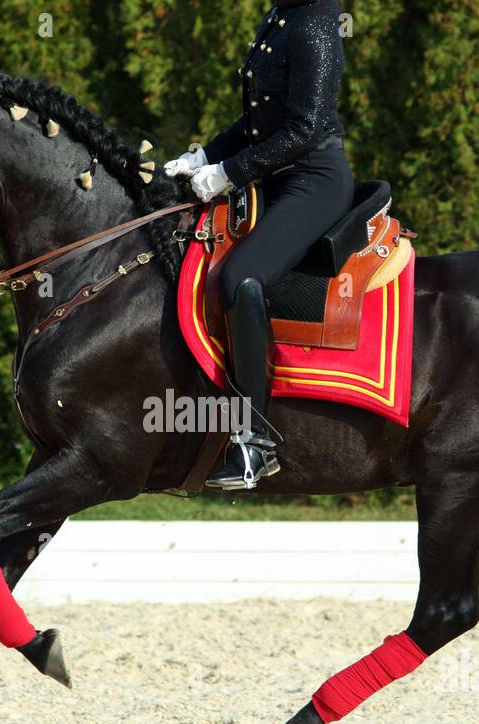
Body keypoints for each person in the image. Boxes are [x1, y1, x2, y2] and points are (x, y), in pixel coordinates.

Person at [165, 0, 353, 490]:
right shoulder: (281, 15)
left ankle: (254, 442)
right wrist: (203, 155)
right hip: (272, 177)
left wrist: (227, 173)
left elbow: (304, 129)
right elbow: (257, 125)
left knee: (239, 278)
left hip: (313, 180)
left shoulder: (313, 21)